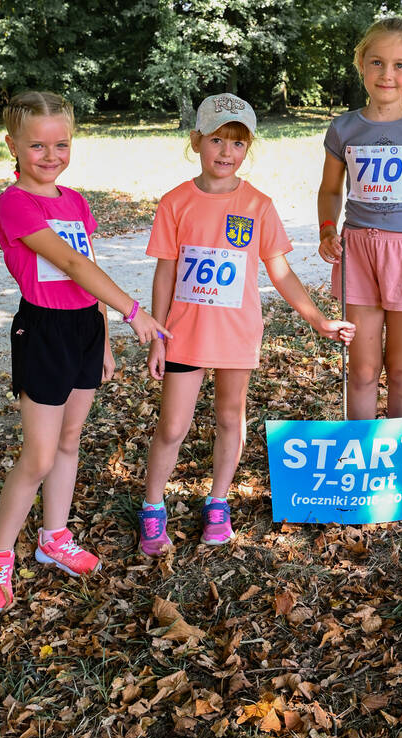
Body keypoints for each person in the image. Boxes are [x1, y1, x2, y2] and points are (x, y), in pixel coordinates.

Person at [138, 93, 356, 555]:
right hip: (184, 334)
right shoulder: (175, 202)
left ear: (248, 147)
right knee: (172, 427)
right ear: (196, 141)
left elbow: (281, 273)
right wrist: (157, 335)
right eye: (216, 140)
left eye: (237, 143)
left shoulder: (258, 204)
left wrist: (318, 320)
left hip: (236, 335)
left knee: (229, 417)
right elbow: (165, 272)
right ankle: (152, 507)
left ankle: (218, 503)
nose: (226, 152)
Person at [0, 91, 170, 614]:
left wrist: (103, 335)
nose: (51, 155)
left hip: (85, 326)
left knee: (69, 441)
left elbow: (88, 269)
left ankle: (54, 538)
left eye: (61, 144)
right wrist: (135, 312)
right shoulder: (16, 202)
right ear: (12, 146)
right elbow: (70, 263)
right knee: (39, 455)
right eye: (37, 145)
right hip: (44, 331)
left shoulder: (76, 201)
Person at [317, 16, 402, 420]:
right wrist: (327, 228)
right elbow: (330, 190)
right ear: (361, 63)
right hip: (357, 253)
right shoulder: (343, 128)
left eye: (399, 65)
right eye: (376, 62)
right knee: (361, 370)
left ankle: (400, 455)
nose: (386, 74)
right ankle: (360, 454)